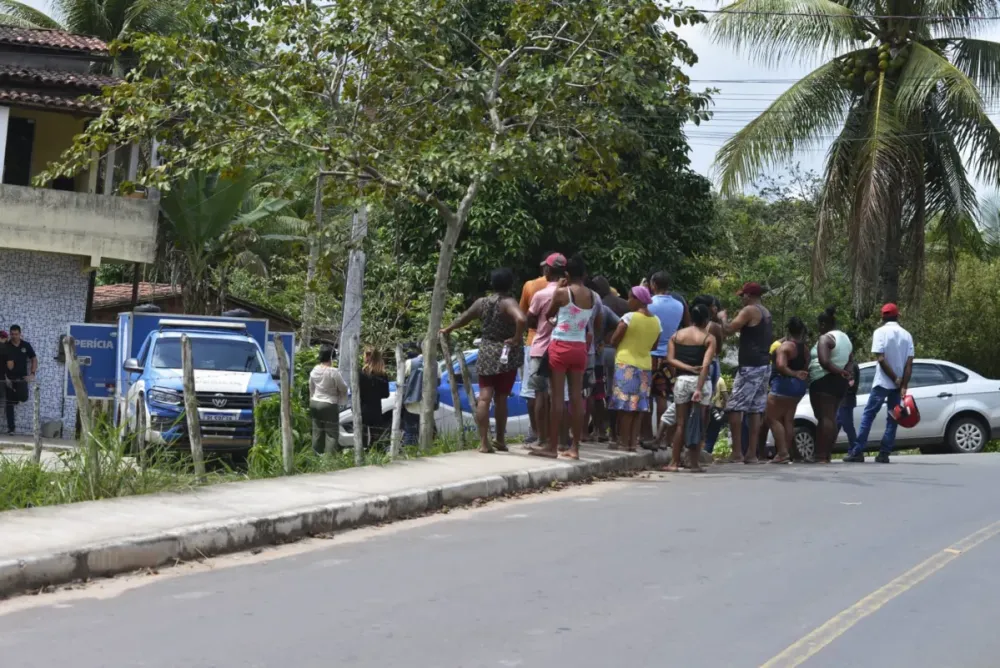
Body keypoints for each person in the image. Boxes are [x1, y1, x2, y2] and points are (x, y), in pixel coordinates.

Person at [441, 268, 526, 453]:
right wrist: (516, 338)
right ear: (510, 284)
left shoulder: (482, 303)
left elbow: (464, 317)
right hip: (506, 355)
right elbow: (521, 319)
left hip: (487, 352)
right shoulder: (509, 302)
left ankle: (484, 442)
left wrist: (448, 328)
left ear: (492, 283)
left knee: (484, 397)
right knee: (501, 398)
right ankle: (500, 439)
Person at [532, 254, 598, 460]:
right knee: (577, 398)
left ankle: (552, 447)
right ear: (585, 274)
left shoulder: (562, 293)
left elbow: (549, 315)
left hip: (560, 345)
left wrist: (559, 290)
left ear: (567, 274)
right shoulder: (593, 296)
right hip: (580, 347)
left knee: (557, 398)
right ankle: (575, 448)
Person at [845, 303, 914, 464]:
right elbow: (909, 364)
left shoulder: (879, 332)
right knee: (893, 418)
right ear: (897, 316)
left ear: (883, 317)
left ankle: (857, 451)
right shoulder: (907, 335)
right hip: (897, 386)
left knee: (869, 415)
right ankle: (884, 453)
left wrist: (894, 378)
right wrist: (903, 384)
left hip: (882, 383)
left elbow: (881, 359)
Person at [720, 283, 773, 464]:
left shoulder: (749, 310)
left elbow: (728, 330)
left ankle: (737, 452)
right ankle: (751, 453)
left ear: (749, 296)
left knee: (734, 407)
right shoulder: (765, 312)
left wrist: (723, 318)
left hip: (750, 366)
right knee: (755, 409)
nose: (741, 299)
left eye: (742, 295)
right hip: (763, 365)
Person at [664, 304, 716, 472]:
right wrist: (699, 389)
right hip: (701, 382)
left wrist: (687, 368)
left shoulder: (676, 336)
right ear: (706, 320)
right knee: (698, 423)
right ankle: (694, 463)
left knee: (681, 424)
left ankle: (674, 462)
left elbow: (670, 359)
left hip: (682, 381)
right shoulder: (709, 338)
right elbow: (705, 365)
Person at [609, 286, 662, 452]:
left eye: (630, 298)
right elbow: (654, 345)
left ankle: (623, 443)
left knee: (626, 406)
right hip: (645, 366)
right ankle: (632, 443)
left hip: (626, 364)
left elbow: (614, 340)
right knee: (638, 407)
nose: (628, 301)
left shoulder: (629, 318)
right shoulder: (656, 321)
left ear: (638, 300)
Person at [525, 253, 566, 450]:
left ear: (548, 270)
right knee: (559, 396)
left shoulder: (541, 295)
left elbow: (529, 319)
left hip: (541, 348)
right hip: (563, 348)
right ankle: (561, 439)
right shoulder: (571, 294)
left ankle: (542, 439)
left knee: (540, 395)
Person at [519, 253, 557, 444]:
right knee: (558, 393)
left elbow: (524, 316)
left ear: (545, 268)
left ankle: (536, 433)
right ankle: (556, 435)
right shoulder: (569, 289)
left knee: (533, 392)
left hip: (535, 342)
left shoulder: (531, 286)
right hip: (560, 344)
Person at [808, 307, 854, 464]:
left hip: (823, 381)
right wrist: (845, 372)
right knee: (831, 417)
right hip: (839, 383)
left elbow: (824, 361)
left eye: (819, 325)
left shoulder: (825, 338)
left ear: (823, 324)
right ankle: (826, 454)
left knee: (824, 418)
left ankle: (820, 455)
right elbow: (850, 360)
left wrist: (840, 371)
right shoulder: (845, 338)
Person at [766, 317, 810, 464]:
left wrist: (793, 373)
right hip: (798, 388)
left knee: (772, 418)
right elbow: (806, 366)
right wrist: (799, 374)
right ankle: (786, 452)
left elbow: (780, 365)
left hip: (783, 386)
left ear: (788, 330)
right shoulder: (804, 349)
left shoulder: (785, 346)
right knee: (788, 420)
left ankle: (782, 453)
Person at [647, 271, 687, 431]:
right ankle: (661, 434)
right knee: (662, 396)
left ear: (653, 284)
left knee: (646, 396)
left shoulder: (648, 303)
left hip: (649, 355)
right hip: (669, 356)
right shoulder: (679, 305)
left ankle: (646, 434)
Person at [309, 344, 348, 454]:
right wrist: (341, 398)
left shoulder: (315, 370)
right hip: (329, 404)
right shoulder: (333, 372)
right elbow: (343, 387)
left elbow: (311, 387)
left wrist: (312, 398)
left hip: (315, 402)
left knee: (317, 433)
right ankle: (329, 460)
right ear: (331, 358)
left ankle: (315, 456)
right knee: (331, 434)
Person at [4, 325, 35, 435]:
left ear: (20, 334)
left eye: (16, 334)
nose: (14, 336)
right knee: (9, 404)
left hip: (22, 378)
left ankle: (16, 398)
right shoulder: (6, 346)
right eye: (12, 334)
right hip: (9, 379)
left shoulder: (25, 345)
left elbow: (34, 358)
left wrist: (32, 374)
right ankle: (11, 429)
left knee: (23, 397)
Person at [358, 347, 391, 448]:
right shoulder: (382, 374)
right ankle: (375, 452)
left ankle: (362, 451)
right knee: (375, 437)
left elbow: (357, 391)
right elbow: (386, 394)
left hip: (363, 407)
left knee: (362, 435)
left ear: (367, 357)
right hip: (376, 408)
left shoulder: (361, 373)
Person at [836, 340, 862, 455]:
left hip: (846, 400)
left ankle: (856, 450)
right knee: (836, 424)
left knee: (847, 426)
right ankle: (825, 450)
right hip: (842, 400)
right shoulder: (845, 365)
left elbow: (851, 384)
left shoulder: (851, 366)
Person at [704, 374, 729, 454]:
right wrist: (724, 411)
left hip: (704, 408)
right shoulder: (720, 380)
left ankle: (701, 454)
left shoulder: (701, 378)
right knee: (712, 435)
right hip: (716, 411)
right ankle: (707, 453)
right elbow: (726, 398)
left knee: (702, 433)